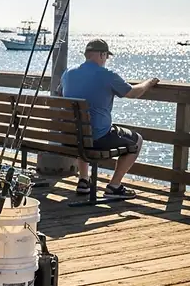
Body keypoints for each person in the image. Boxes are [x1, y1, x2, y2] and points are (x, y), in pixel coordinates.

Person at [61, 38, 159, 200]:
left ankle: (83, 181)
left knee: (81, 130)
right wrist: (149, 82)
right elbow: (133, 93)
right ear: (101, 54)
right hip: (98, 138)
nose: (106, 60)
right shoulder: (107, 75)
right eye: (106, 56)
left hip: (70, 137)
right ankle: (114, 186)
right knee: (137, 140)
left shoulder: (68, 73)